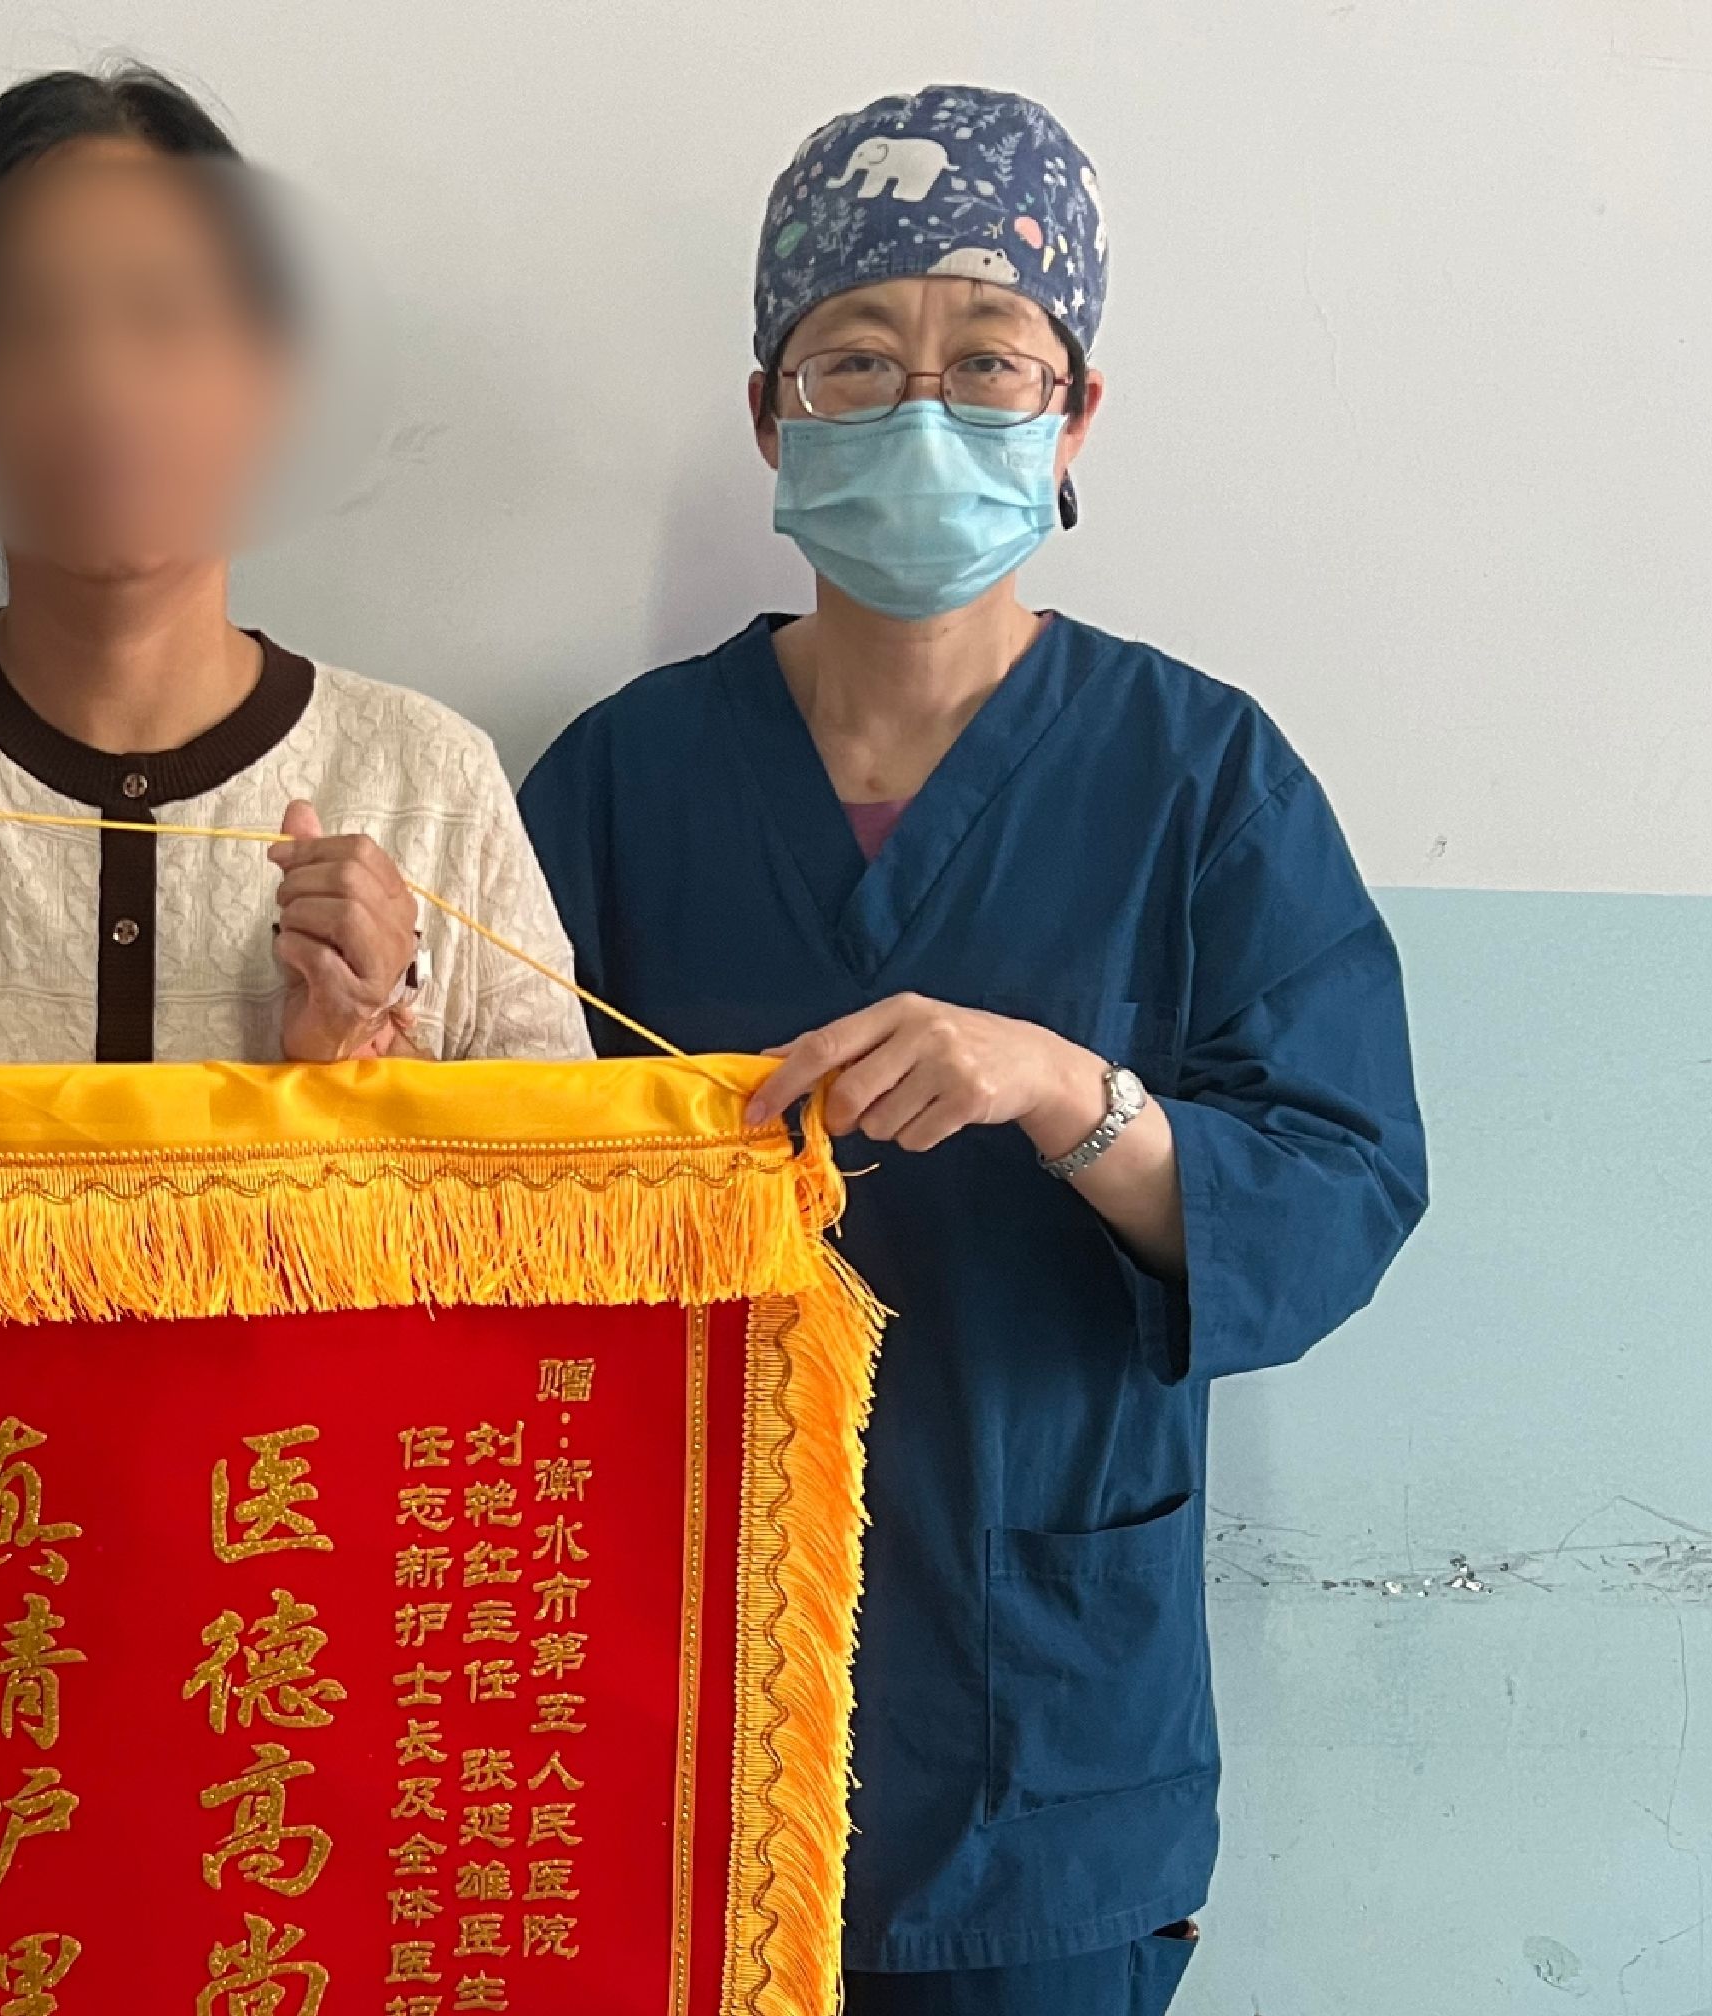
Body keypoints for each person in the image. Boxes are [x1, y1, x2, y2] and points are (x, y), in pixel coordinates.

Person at [518, 86, 1425, 2016]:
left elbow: (1338, 1195)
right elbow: (485, 1192)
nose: (922, 409)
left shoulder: (1200, 778)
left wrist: (1071, 1094)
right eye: (857, 360)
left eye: (989, 361)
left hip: (1043, 1742)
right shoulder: (621, 781)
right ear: (771, 416)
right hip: (664, 1708)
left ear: (1072, 415)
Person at [0, 65, 588, 1066]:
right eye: (33, 323)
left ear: (264, 383)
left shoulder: (432, 780)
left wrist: (358, 1069)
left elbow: (593, 1162)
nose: (101, 385)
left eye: (163, 316)